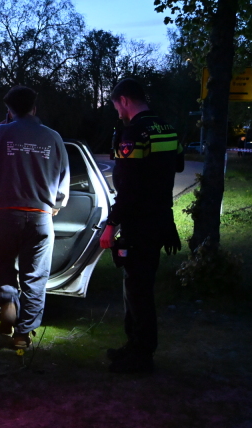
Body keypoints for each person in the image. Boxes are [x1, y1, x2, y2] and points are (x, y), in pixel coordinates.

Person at [0, 85, 70, 350]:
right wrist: (57, 203)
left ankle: (8, 307)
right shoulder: (53, 137)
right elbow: (64, 177)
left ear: (9, 110)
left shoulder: (2, 132)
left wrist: (1, 133)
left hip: (6, 215)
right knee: (35, 277)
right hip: (40, 216)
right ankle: (23, 333)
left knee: (3, 266)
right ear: (34, 108)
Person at [100, 78, 183, 374]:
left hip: (139, 222)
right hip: (160, 218)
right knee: (138, 285)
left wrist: (111, 225)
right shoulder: (167, 128)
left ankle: (142, 354)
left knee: (137, 290)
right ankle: (134, 346)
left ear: (123, 100)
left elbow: (129, 187)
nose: (116, 111)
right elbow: (177, 167)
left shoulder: (133, 133)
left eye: (115, 105)